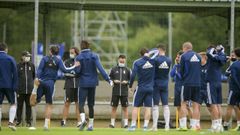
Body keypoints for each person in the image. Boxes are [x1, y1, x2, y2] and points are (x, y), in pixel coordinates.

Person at [30, 45, 78, 131]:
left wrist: (37, 78)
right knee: (49, 104)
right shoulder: (58, 60)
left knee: (34, 102)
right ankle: (46, 125)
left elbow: (40, 69)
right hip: (50, 84)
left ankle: (32, 123)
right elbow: (66, 70)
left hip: (41, 82)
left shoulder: (44, 58)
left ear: (50, 51)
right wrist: (75, 66)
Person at [75, 40, 112, 131]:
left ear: (81, 47)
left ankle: (83, 120)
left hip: (83, 82)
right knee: (91, 105)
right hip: (92, 83)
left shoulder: (78, 57)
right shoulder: (94, 56)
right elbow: (101, 69)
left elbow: (77, 71)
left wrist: (76, 68)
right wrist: (108, 80)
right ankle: (91, 125)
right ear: (89, 46)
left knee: (81, 104)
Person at [128, 48, 155, 131]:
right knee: (148, 107)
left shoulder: (137, 62)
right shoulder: (153, 61)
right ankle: (145, 126)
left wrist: (130, 86)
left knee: (136, 106)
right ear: (148, 53)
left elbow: (133, 75)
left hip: (141, 88)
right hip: (150, 88)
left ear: (140, 54)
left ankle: (133, 126)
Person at [179, 42, 201, 131]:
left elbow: (182, 70)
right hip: (197, 83)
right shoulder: (198, 56)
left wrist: (183, 78)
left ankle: (183, 126)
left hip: (187, 83)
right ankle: (194, 126)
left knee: (183, 103)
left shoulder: (184, 56)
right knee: (196, 105)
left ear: (184, 48)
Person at [206, 45, 227, 132]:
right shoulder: (222, 56)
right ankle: (219, 125)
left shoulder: (213, 55)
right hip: (218, 82)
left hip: (211, 82)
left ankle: (215, 125)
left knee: (213, 104)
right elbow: (222, 56)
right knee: (218, 104)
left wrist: (213, 50)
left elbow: (209, 53)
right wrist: (220, 50)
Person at [152, 44, 172, 131]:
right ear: (165, 50)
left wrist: (153, 53)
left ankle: (155, 126)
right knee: (165, 105)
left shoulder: (155, 60)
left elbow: (150, 62)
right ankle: (167, 126)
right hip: (165, 84)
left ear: (158, 50)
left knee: (155, 105)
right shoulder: (169, 60)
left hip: (156, 84)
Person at [109, 55, 131, 128]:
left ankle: (126, 124)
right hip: (115, 91)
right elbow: (109, 78)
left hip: (124, 92)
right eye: (121, 59)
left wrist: (127, 82)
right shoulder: (113, 69)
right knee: (114, 108)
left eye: (123, 59)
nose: (122, 60)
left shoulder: (128, 69)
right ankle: (112, 124)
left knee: (125, 108)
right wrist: (113, 81)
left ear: (125, 60)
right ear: (118, 59)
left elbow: (131, 80)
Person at [61, 47, 81, 127]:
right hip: (69, 85)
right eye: (70, 52)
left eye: (72, 52)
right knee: (67, 103)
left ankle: (79, 122)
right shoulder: (66, 62)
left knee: (78, 104)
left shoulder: (80, 62)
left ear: (76, 53)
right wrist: (73, 74)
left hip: (78, 86)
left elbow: (80, 73)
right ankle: (63, 121)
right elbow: (65, 73)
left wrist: (74, 74)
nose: (71, 54)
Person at [0, 42, 18, 131]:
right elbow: (15, 74)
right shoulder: (10, 59)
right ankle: (10, 122)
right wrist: (15, 86)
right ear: (6, 49)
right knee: (13, 103)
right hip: (9, 85)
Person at [16, 51, 35, 127]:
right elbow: (16, 77)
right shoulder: (18, 65)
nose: (28, 57)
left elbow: (33, 76)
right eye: (27, 56)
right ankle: (18, 121)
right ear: (22, 57)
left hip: (29, 90)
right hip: (20, 90)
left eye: (29, 56)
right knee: (19, 106)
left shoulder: (32, 65)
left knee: (28, 106)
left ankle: (28, 122)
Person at [223, 50, 240, 131]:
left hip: (234, 89)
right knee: (237, 107)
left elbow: (226, 73)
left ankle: (225, 125)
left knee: (230, 107)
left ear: (236, 55)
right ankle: (239, 125)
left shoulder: (234, 65)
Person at [198, 52, 211, 127]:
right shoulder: (197, 67)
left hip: (207, 90)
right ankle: (197, 125)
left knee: (210, 108)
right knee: (197, 107)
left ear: (204, 57)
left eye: (200, 57)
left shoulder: (209, 66)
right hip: (199, 90)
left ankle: (215, 124)